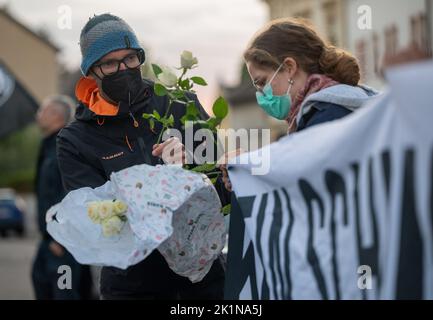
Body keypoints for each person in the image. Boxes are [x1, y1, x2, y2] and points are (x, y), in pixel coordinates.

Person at [56, 13, 227, 300]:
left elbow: (222, 192)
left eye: (131, 58)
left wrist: (190, 174)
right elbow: (98, 226)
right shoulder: (75, 140)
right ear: (91, 72)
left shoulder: (179, 105)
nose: (124, 68)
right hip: (131, 287)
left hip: (203, 280)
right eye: (110, 63)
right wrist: (159, 183)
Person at [221, 18, 379, 191]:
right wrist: (247, 170)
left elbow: (310, 188)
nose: (261, 95)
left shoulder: (327, 115)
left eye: (262, 82)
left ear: (289, 67)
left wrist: (251, 169)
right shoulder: (326, 108)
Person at [32, 95, 93, 300]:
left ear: (56, 115)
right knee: (41, 282)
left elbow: (73, 193)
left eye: (42, 110)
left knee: (64, 292)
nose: (37, 115)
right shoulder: (49, 146)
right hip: (49, 241)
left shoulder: (65, 147)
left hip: (62, 243)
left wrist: (61, 236)